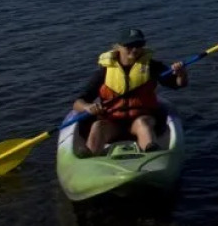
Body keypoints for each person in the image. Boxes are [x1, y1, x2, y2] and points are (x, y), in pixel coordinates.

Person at [71, 27, 187, 155]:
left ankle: (150, 151)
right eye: (129, 46)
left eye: (139, 45)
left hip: (140, 119)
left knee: (143, 123)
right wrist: (88, 107)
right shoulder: (104, 72)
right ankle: (90, 156)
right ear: (118, 47)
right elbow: (78, 103)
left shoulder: (152, 67)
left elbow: (177, 85)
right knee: (98, 126)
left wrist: (181, 75)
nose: (135, 49)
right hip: (112, 123)